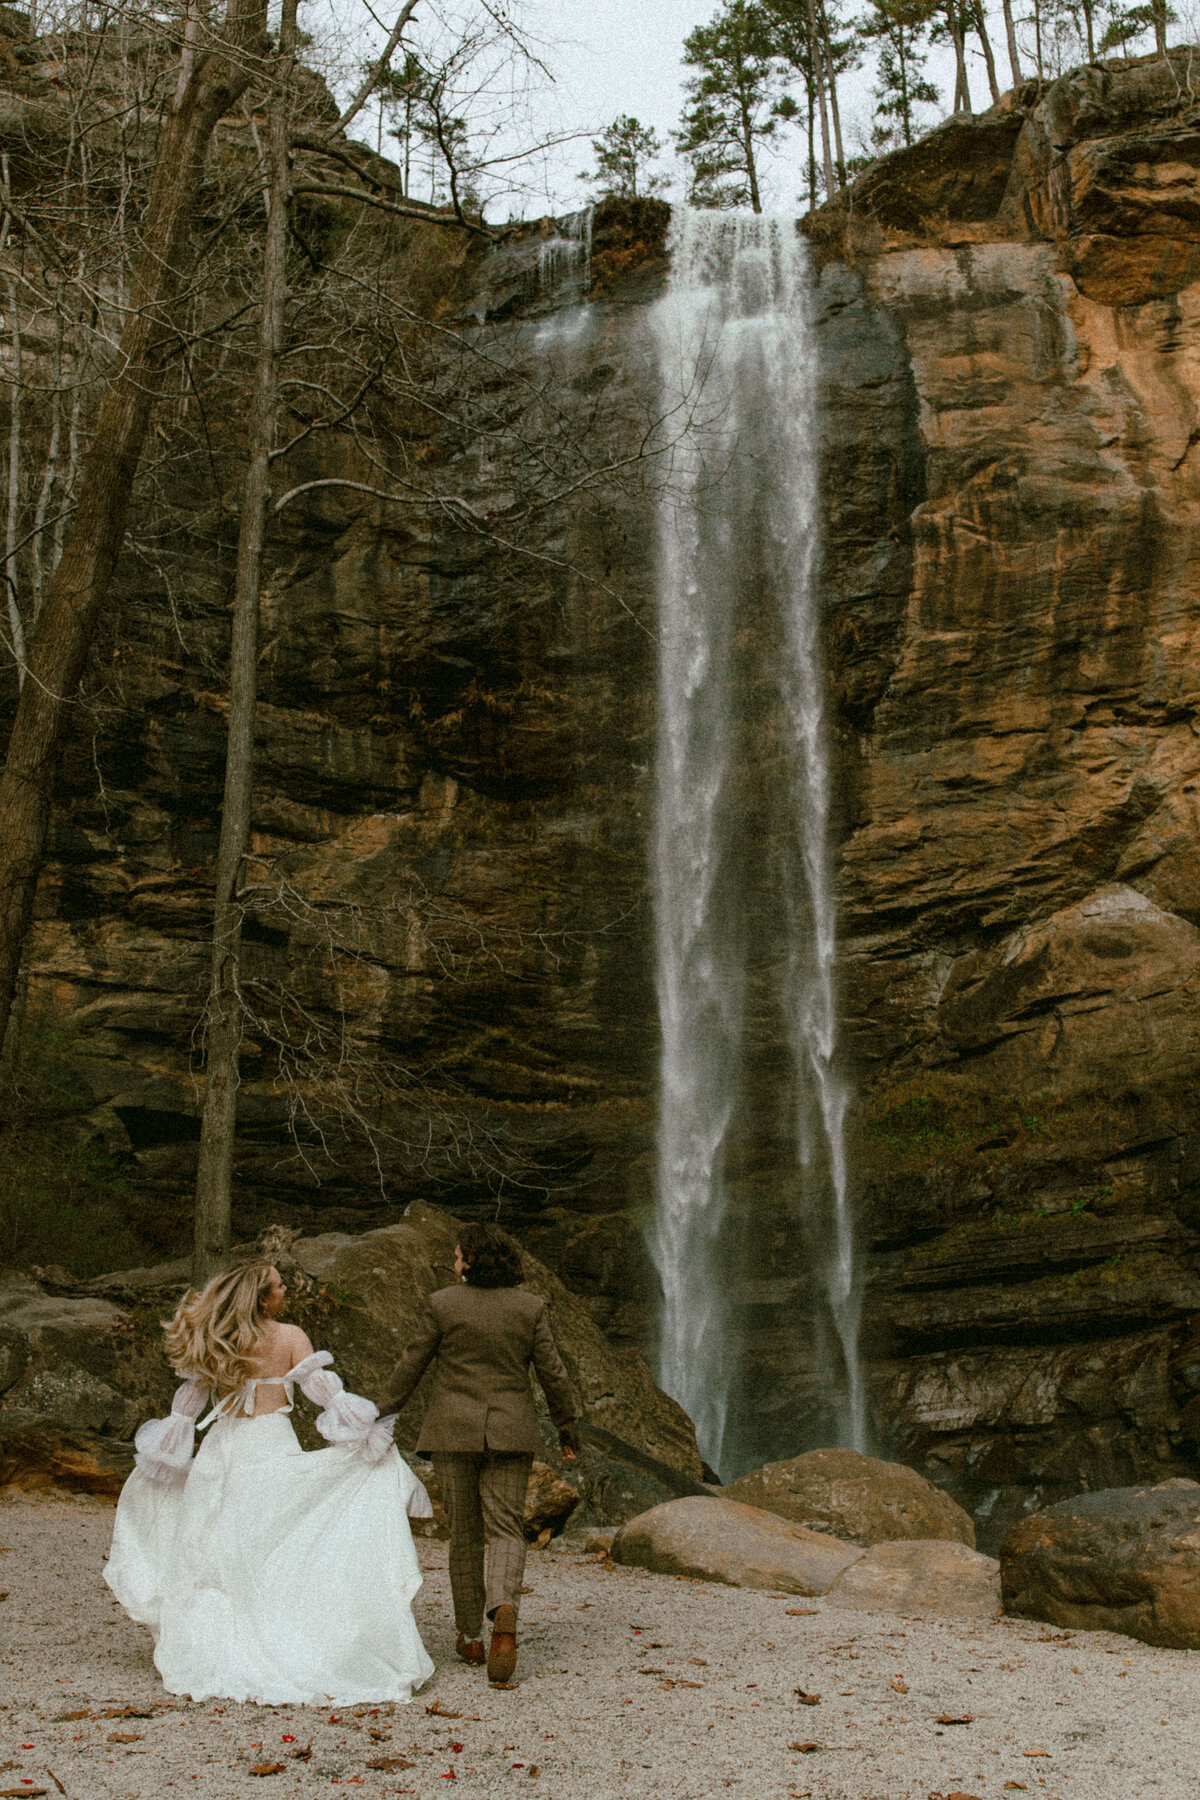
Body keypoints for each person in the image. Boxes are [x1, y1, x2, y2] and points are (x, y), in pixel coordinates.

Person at [105, 1260, 434, 1706]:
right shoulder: (290, 1337)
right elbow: (325, 1393)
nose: (286, 1290)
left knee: (217, 1550)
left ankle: (220, 1643)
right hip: (268, 1445)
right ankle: (278, 1634)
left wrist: (165, 1453)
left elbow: (187, 1408)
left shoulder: (221, 1338)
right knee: (274, 1548)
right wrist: (365, 1433)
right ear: (263, 1298)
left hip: (223, 1450)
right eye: (280, 1286)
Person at [374, 1223, 581, 1687]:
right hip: (511, 1431)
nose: (453, 1262)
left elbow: (412, 1363)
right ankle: (504, 1612)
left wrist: (378, 1415)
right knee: (507, 1528)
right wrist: (567, 1427)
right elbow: (554, 1373)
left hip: (452, 1431)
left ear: (470, 1260)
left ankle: (469, 1634)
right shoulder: (530, 1308)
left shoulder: (443, 1304)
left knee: (464, 1534)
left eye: (456, 1255)